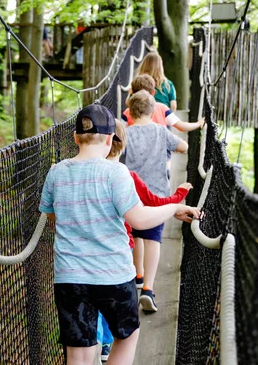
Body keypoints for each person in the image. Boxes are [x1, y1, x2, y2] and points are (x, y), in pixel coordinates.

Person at [39, 103, 199, 365]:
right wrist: (173, 208)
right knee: (126, 336)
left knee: (78, 351)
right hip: (112, 275)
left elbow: (52, 215)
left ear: (75, 137)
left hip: (69, 277)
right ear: (111, 139)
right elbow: (139, 218)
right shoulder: (116, 172)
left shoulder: (56, 172)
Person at [97, 120, 192, 360]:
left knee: (94, 302)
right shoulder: (126, 176)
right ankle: (146, 287)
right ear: (120, 145)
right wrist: (178, 198)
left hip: (82, 261)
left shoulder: (81, 173)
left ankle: (100, 340)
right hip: (118, 252)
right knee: (118, 308)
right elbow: (151, 205)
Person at [124, 91, 189, 312]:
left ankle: (137, 275)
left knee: (134, 234)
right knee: (153, 239)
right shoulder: (162, 132)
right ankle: (148, 289)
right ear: (153, 111)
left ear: (130, 113)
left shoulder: (126, 133)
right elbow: (183, 147)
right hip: (158, 196)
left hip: (131, 194)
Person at [122, 74, 204, 132]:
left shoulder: (128, 112)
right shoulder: (162, 109)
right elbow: (182, 126)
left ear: (132, 92)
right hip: (160, 154)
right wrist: (198, 124)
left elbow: (121, 132)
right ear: (153, 92)